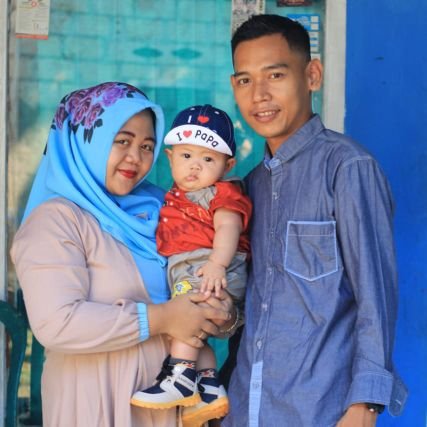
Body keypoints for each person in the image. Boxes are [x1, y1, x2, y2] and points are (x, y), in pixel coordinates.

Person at [11, 82, 235, 427]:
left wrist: (221, 311)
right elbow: (57, 323)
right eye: (122, 141)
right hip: (97, 402)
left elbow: (203, 278)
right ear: (87, 140)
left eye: (147, 146)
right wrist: (163, 318)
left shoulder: (165, 208)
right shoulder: (55, 221)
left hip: (174, 408)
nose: (136, 158)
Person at [222, 14, 408, 427]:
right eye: (245, 80)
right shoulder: (249, 187)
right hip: (245, 407)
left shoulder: (348, 168)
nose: (259, 95)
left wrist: (366, 403)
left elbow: (375, 296)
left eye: (275, 75)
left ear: (312, 75)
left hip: (319, 411)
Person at [131, 104, 251, 427]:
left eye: (208, 159)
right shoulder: (176, 195)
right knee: (196, 331)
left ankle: (181, 378)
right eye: (186, 156)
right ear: (170, 158)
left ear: (228, 165)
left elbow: (228, 228)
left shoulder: (222, 193)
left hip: (211, 270)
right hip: (195, 270)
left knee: (186, 323)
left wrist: (217, 263)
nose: (195, 166)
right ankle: (209, 387)